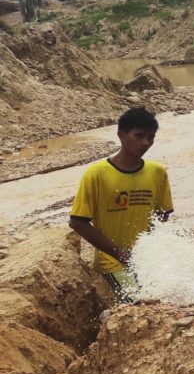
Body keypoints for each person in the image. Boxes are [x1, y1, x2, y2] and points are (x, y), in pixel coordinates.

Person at [69, 107, 173, 301]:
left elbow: (162, 214)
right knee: (141, 305)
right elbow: (77, 221)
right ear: (121, 135)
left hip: (146, 258)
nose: (145, 143)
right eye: (139, 136)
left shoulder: (157, 172)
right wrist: (118, 252)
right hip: (112, 261)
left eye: (150, 137)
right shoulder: (96, 174)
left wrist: (151, 246)